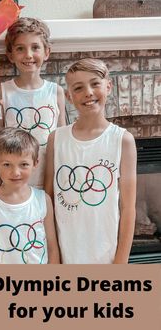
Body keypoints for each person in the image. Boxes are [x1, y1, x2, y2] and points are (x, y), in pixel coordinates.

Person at [45, 58, 137, 264]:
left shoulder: (122, 140)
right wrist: (54, 258)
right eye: (78, 88)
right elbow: (48, 201)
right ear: (69, 96)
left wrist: (121, 263)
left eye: (95, 83)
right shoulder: (56, 139)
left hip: (107, 256)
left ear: (108, 86)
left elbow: (128, 208)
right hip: (66, 255)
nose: (88, 92)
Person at [0, 17, 66, 188]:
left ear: (47, 52)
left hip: (50, 178)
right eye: (20, 49)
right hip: (17, 180)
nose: (28, 55)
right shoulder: (3, 91)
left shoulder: (55, 91)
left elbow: (61, 138)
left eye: (35, 47)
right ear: (10, 55)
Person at [0, 127, 60, 264]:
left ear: (35, 164)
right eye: (7, 164)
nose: (15, 172)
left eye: (23, 164)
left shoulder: (43, 200)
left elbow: (52, 249)